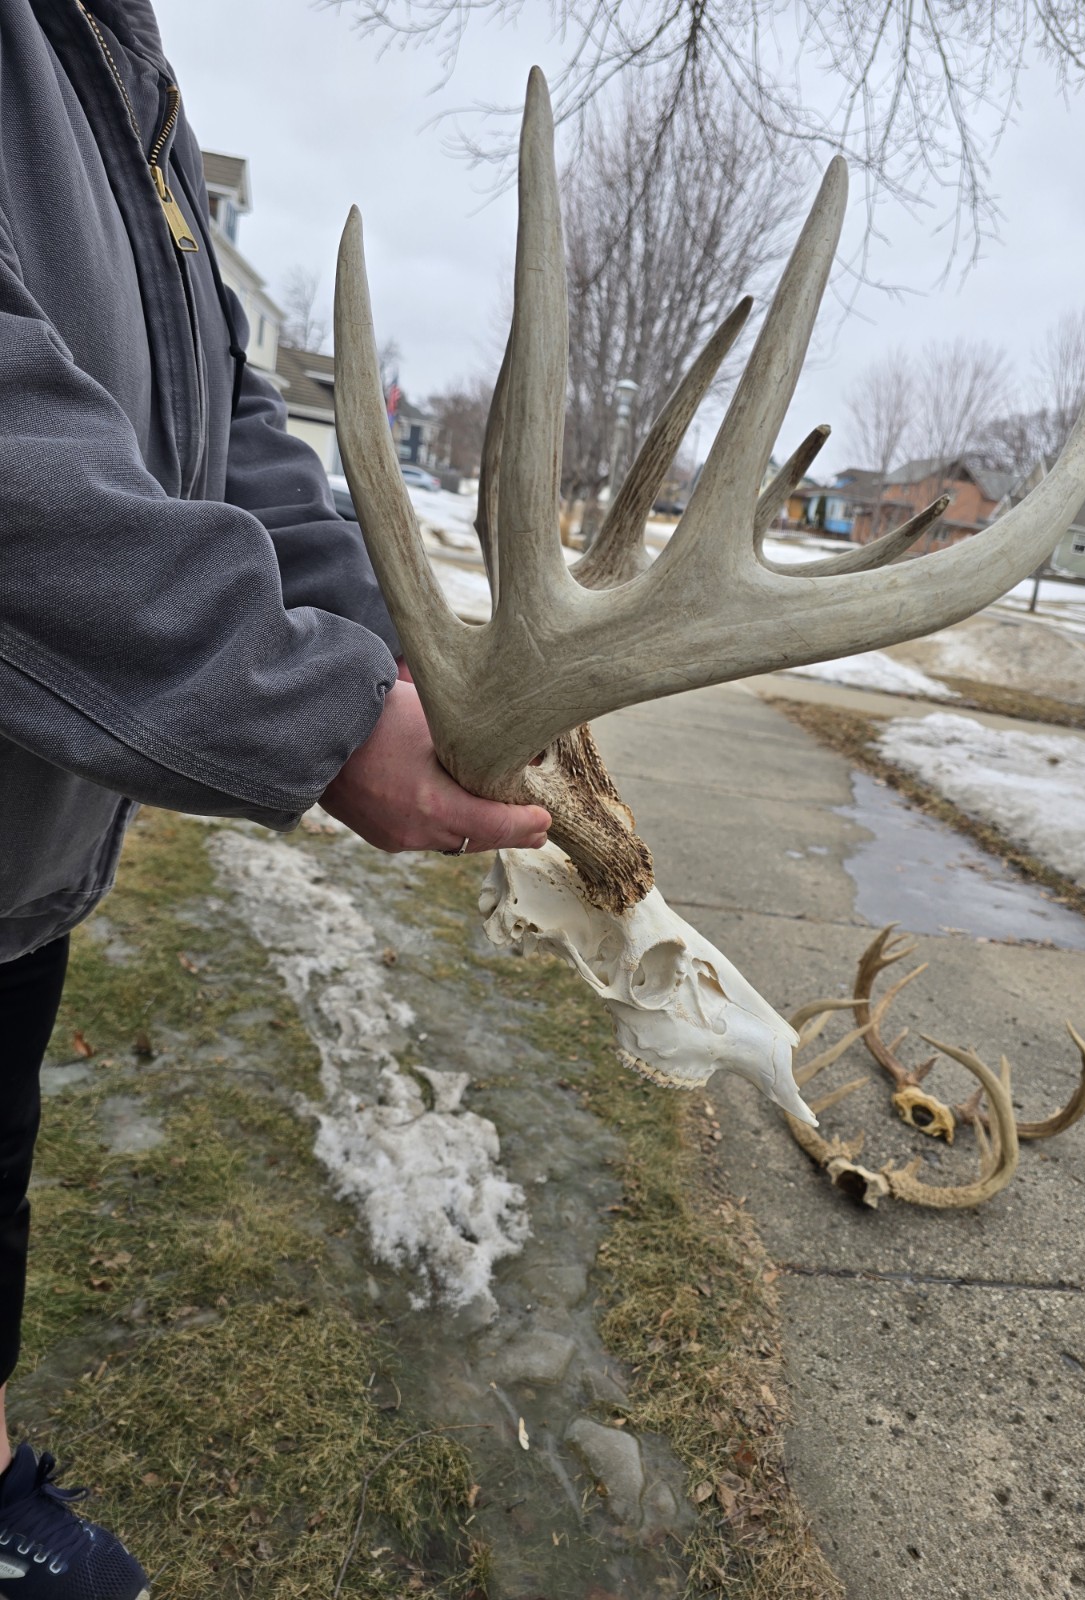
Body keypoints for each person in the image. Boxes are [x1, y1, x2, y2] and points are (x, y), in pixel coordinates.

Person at [0, 2, 551, 1593]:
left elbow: (213, 411)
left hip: (21, 848)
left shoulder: (106, 49)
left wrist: (388, 654)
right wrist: (316, 714)